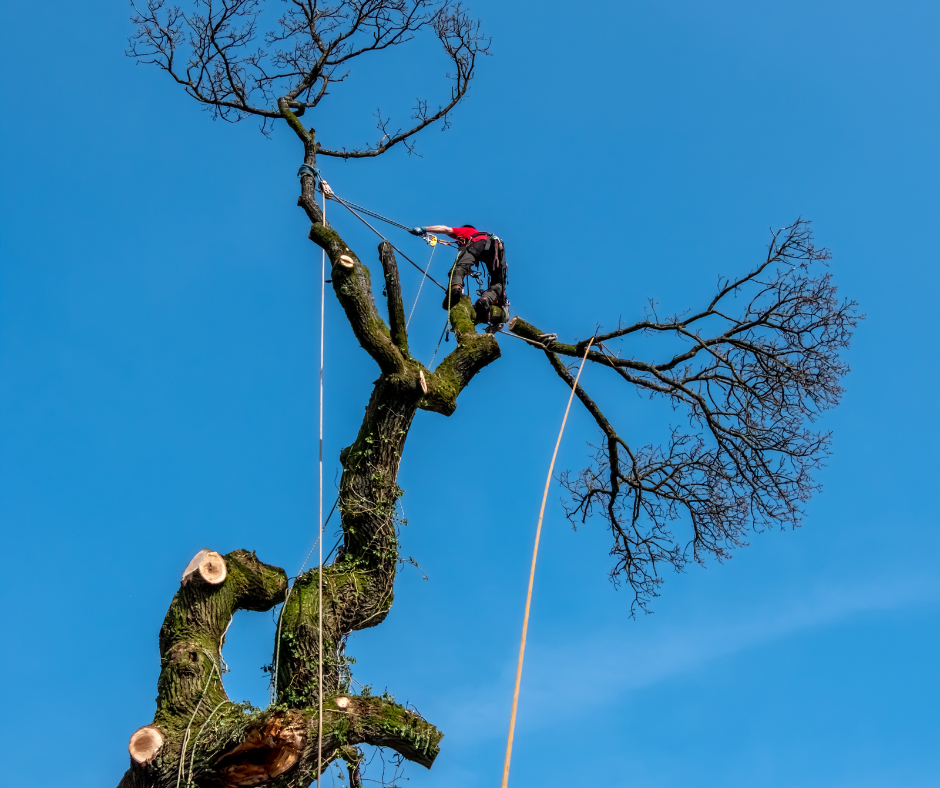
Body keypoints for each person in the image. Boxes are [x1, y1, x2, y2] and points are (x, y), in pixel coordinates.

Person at [410, 224, 508, 322]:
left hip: (479, 244)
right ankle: (485, 300)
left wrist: (424, 229)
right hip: (497, 249)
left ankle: (455, 289)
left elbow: (445, 229)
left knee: (458, 269)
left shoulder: (467, 230)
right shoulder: (488, 236)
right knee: (498, 283)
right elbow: (503, 265)